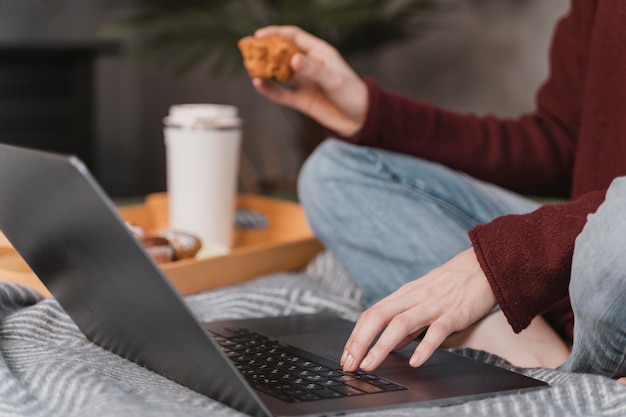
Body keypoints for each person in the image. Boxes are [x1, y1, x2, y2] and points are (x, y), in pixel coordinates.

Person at [246, 0, 626, 384]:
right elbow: (561, 145)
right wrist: (370, 112)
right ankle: (544, 366)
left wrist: (497, 264)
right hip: (582, 253)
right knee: (335, 170)